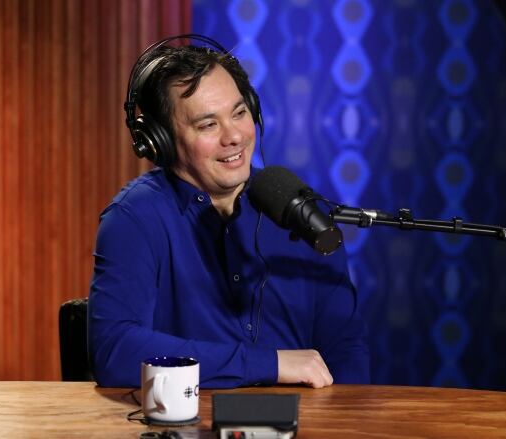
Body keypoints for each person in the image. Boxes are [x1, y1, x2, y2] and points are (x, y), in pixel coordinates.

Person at [88, 35, 369, 389]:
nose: (233, 136)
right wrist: (269, 364)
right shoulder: (134, 218)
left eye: (239, 113)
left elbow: (345, 350)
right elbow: (114, 351)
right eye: (208, 125)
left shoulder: (302, 213)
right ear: (160, 140)